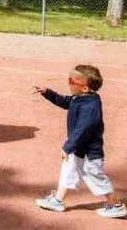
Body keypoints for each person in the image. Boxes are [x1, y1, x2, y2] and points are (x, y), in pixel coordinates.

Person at [33, 65, 126, 218]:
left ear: (84, 88)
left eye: (71, 81)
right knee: (68, 170)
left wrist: (68, 146)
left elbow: (83, 129)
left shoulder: (90, 106)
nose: (68, 83)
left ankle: (117, 206)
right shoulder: (80, 98)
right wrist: (48, 93)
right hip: (78, 150)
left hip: (90, 153)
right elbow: (65, 101)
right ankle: (58, 201)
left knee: (96, 178)